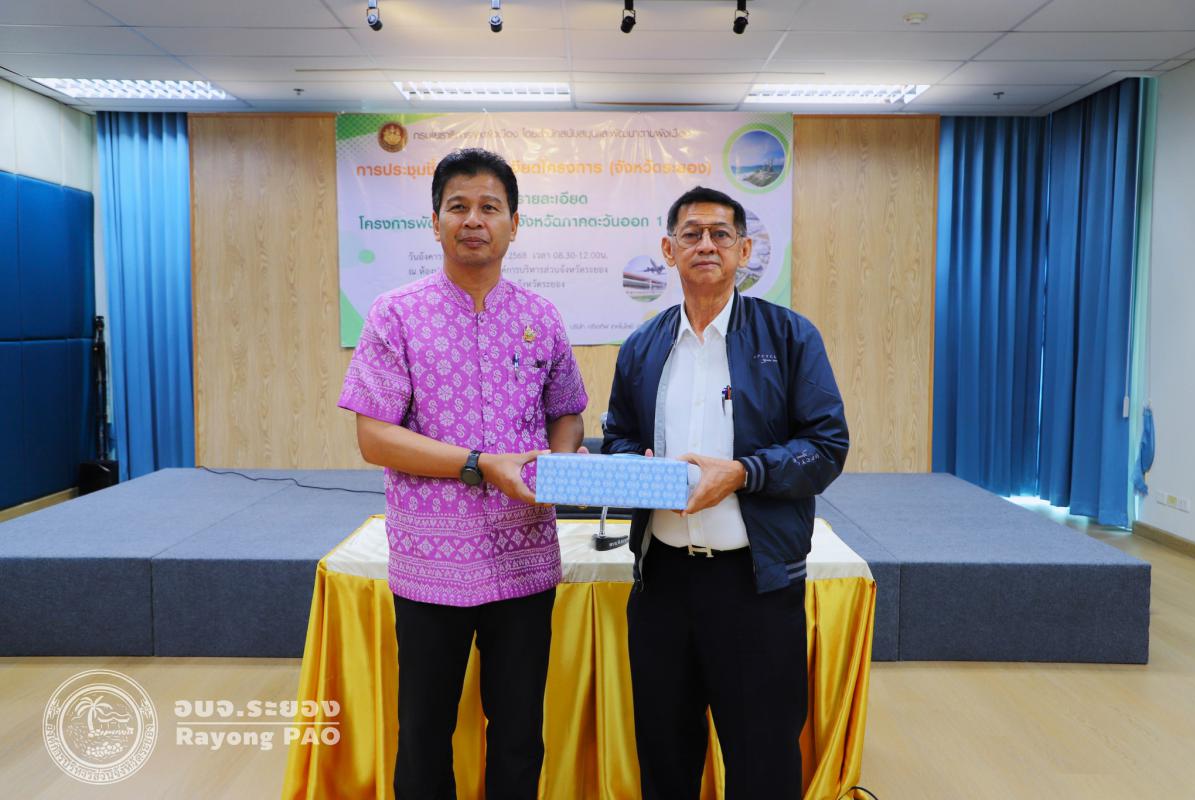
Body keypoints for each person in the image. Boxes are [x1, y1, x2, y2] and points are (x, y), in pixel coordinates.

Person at [338, 148, 587, 800]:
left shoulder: (541, 316)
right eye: (458, 206)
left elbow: (567, 411)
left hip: (523, 556)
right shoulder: (396, 313)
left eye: (489, 207)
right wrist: (478, 465)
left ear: (514, 224)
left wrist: (562, 460)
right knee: (425, 733)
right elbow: (373, 436)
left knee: (519, 734)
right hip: (430, 563)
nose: (473, 220)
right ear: (435, 221)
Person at [602, 186, 850, 799]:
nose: (706, 245)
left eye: (720, 234)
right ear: (669, 250)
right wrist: (633, 465)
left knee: (762, 762)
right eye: (691, 234)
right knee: (664, 757)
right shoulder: (642, 346)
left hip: (755, 587)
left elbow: (827, 446)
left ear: (744, 250)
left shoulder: (789, 337)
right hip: (662, 585)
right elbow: (619, 437)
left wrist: (742, 473)